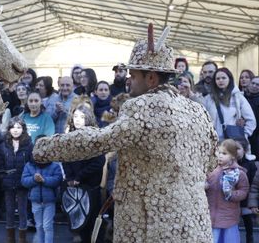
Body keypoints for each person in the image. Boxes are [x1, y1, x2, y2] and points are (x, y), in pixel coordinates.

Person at [32, 24, 218, 242]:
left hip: (150, 227)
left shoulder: (142, 107)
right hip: (194, 225)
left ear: (151, 78)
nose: (129, 80)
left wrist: (45, 147)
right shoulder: (198, 110)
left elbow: (98, 141)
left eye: (133, 75)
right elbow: (211, 163)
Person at [63, 105, 106, 243]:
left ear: (88, 118)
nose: (78, 120)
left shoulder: (95, 137)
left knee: (93, 228)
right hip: (75, 189)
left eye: (82, 117)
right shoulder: (68, 137)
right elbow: (65, 159)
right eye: (75, 116)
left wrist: (79, 177)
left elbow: (99, 161)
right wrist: (70, 177)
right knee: (79, 228)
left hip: (91, 188)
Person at [0, 117, 34, 243]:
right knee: (9, 210)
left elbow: (31, 163)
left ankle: (22, 239)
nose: (16, 130)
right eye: (13, 127)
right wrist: (3, 178)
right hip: (8, 183)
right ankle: (10, 238)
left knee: (23, 211)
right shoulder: (3, 145)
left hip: (22, 182)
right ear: (9, 129)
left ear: (23, 129)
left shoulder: (29, 144)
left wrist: (27, 179)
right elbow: (1, 164)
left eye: (19, 127)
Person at [206, 139, 249, 243]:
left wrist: (232, 194)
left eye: (224, 153)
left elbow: (244, 190)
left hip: (229, 216)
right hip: (212, 215)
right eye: (219, 152)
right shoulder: (214, 170)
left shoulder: (239, 173)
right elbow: (209, 183)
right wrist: (206, 186)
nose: (220, 155)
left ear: (233, 156)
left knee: (229, 239)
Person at [21, 135, 63, 243]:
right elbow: (24, 181)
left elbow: (58, 180)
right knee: (39, 226)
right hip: (35, 201)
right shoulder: (29, 165)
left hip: (49, 201)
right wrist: (34, 179)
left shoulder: (54, 165)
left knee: (47, 226)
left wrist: (44, 180)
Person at [202, 67, 256, 141]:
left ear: (229, 79)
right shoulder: (209, 99)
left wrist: (244, 135)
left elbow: (251, 120)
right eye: (217, 79)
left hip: (233, 143)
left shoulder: (238, 97)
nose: (220, 80)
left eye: (223, 78)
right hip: (214, 142)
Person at [235, 138, 257, 243]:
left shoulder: (250, 164)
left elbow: (253, 183)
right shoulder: (229, 163)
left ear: (244, 150)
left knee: (248, 224)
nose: (235, 151)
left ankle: (250, 239)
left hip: (246, 199)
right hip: (233, 199)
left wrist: (251, 202)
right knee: (233, 225)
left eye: (238, 148)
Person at [245, 76, 259, 158]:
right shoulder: (241, 97)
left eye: (258, 85)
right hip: (244, 136)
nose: (254, 86)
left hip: (256, 138)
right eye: (253, 83)